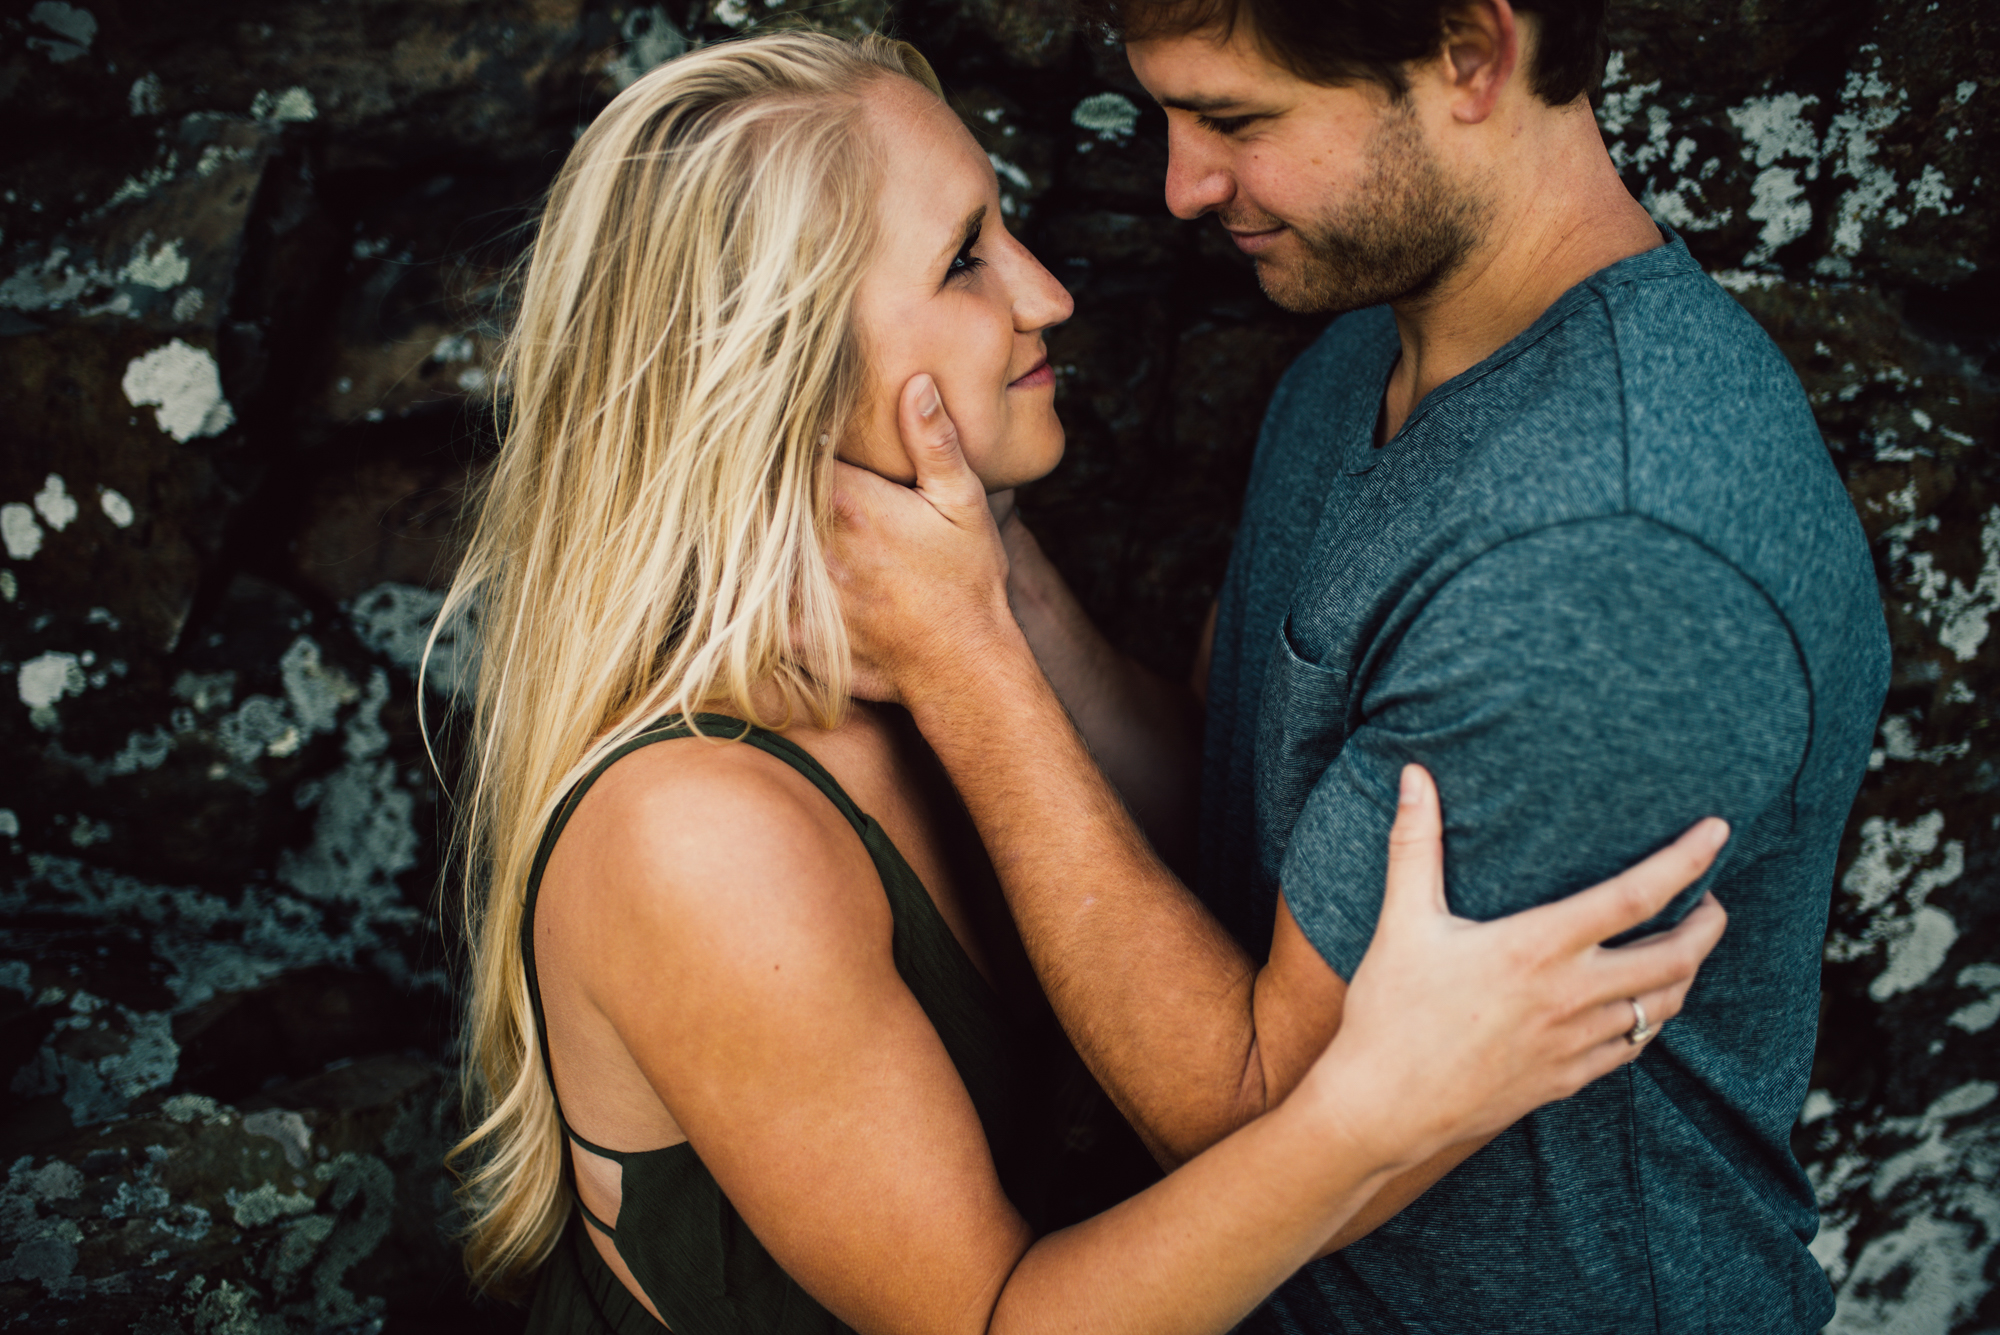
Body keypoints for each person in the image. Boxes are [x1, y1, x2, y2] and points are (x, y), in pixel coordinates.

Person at [438, 30, 1731, 1335]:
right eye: (964, 259)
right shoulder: (702, 836)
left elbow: (1193, 836)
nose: (1048, 294)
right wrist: (1388, 1110)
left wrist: (996, 589)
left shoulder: (922, 662)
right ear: (769, 369)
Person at [827, 1, 1891, 1332]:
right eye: (1167, 113)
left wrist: (964, 666)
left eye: (1235, 119)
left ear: (1471, 54)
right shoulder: (1356, 366)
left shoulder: (1604, 556)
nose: (1181, 186)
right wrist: (1000, 578)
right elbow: (1228, 827)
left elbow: (1252, 1114)